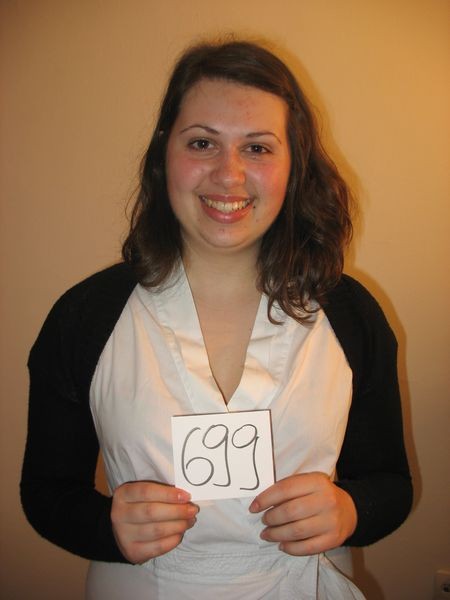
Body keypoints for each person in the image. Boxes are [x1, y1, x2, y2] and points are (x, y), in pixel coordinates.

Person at [20, 39, 412, 599]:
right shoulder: (86, 317)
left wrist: (352, 509)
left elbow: (391, 483)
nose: (229, 175)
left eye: (257, 148)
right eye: (203, 143)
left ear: (294, 166)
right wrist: (104, 527)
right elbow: (46, 491)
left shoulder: (351, 315)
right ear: (164, 154)